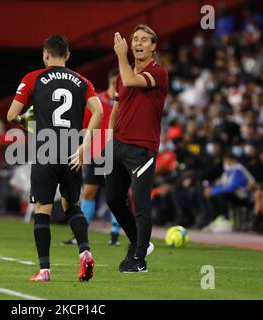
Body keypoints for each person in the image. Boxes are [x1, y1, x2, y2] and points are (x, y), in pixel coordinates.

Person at [7, 34, 103, 282]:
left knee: (42, 208)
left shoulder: (33, 78)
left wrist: (26, 121)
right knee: (72, 206)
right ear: (68, 55)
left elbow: (11, 115)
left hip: (45, 150)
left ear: (45, 54)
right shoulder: (82, 81)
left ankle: (45, 270)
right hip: (73, 150)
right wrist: (84, 146)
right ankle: (85, 252)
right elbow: (99, 111)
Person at [106, 24, 168, 273]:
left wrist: (121, 55)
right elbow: (116, 108)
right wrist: (110, 137)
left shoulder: (159, 72)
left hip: (142, 148)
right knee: (112, 200)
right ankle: (137, 242)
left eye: (144, 39)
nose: (138, 43)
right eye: (135, 39)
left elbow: (131, 82)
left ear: (153, 46)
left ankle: (139, 259)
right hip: (118, 145)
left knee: (141, 204)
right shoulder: (123, 73)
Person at [63, 68, 121, 246]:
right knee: (89, 192)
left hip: (116, 152)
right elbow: (86, 124)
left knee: (115, 194)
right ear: (111, 80)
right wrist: (83, 146)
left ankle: (115, 233)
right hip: (96, 152)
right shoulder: (98, 100)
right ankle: (81, 233)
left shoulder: (125, 101)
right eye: (115, 81)